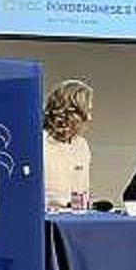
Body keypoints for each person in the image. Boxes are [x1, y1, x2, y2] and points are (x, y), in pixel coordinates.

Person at [43, 79, 94, 208]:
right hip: (46, 218)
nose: (89, 118)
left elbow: (83, 193)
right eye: (86, 112)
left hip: (76, 216)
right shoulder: (38, 143)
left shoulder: (82, 145)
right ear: (69, 112)